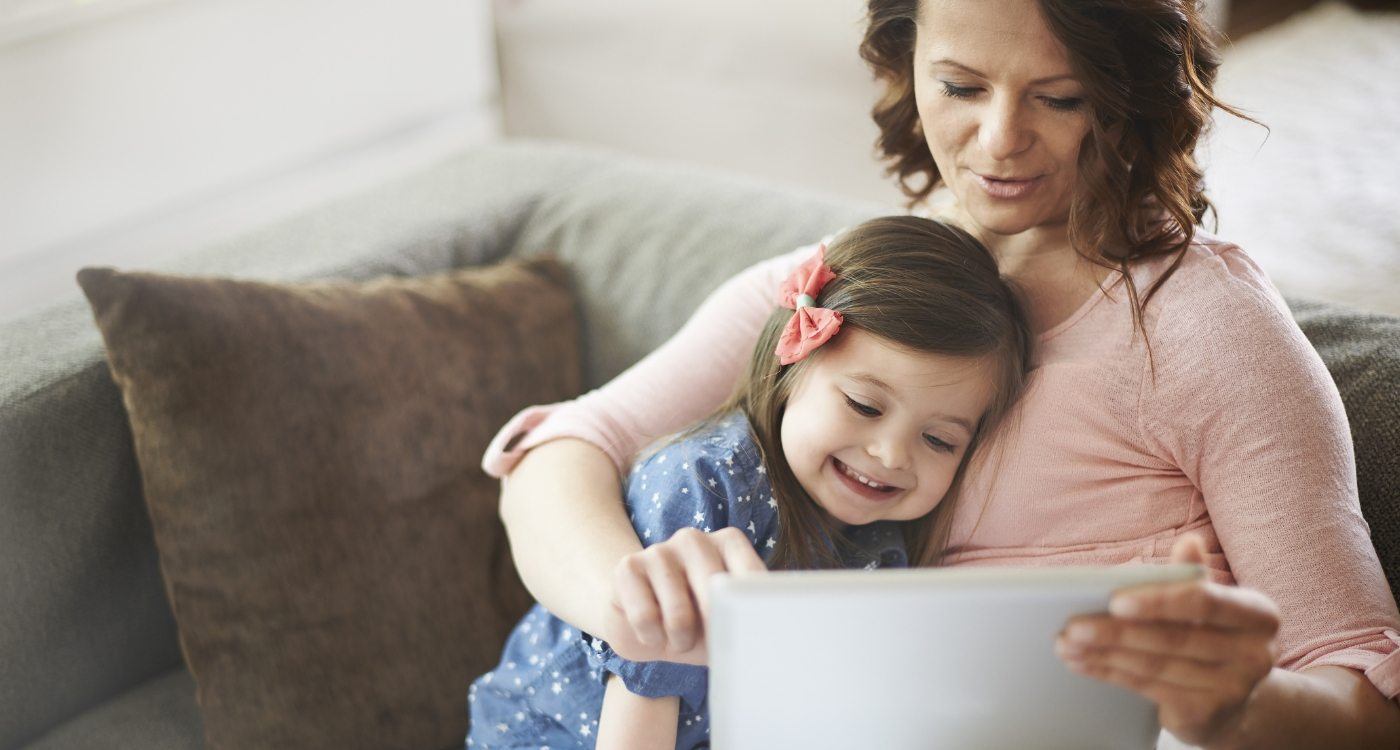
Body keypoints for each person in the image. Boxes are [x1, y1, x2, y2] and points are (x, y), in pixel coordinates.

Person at [483, 1, 1400, 747]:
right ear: (904, 57)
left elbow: (1363, 695)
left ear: (1130, 98)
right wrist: (635, 600)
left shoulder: (1205, 329)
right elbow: (560, 450)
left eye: (1062, 97)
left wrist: (1236, 709)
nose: (1000, 141)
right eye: (960, 85)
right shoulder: (860, 285)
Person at [467, 217, 1033, 749]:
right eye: (863, 406)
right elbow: (643, 699)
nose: (890, 454)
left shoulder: (882, 541)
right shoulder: (704, 483)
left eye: (939, 441)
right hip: (558, 733)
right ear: (789, 373)